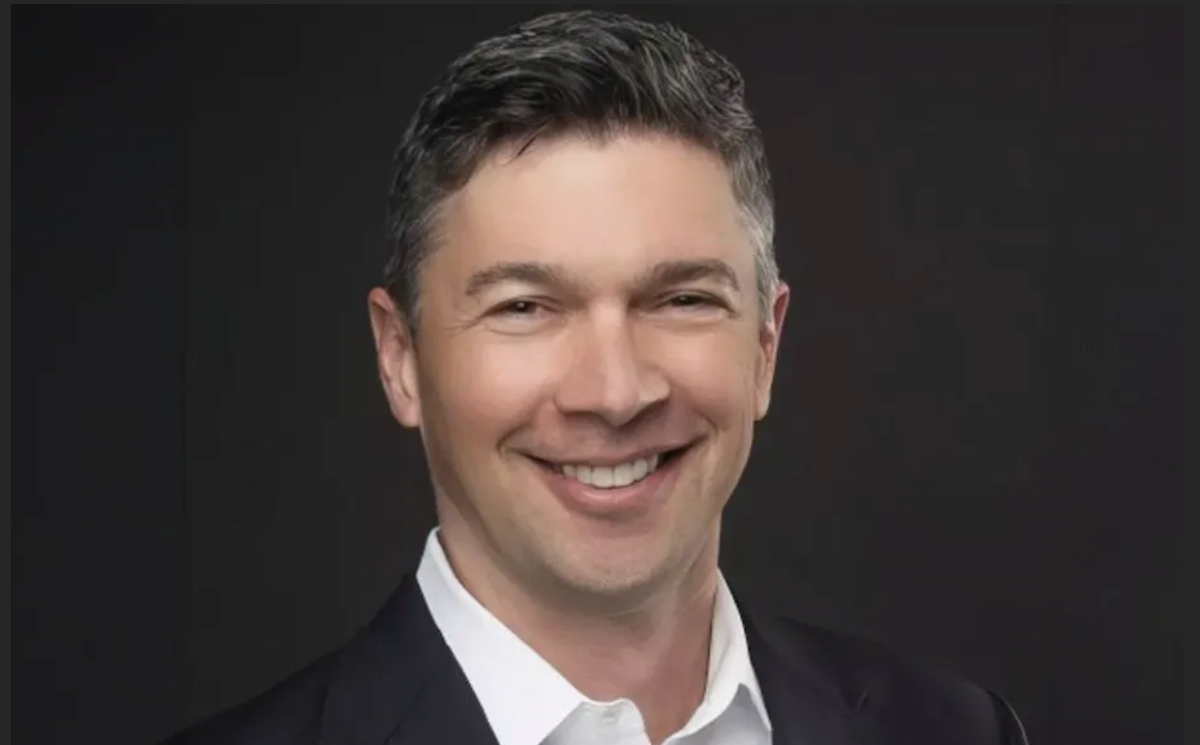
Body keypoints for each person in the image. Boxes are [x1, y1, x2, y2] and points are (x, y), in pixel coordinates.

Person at [168, 10, 1027, 745]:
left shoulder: (953, 728)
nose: (615, 394)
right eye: (525, 307)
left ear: (765, 345)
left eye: (682, 299)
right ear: (401, 359)